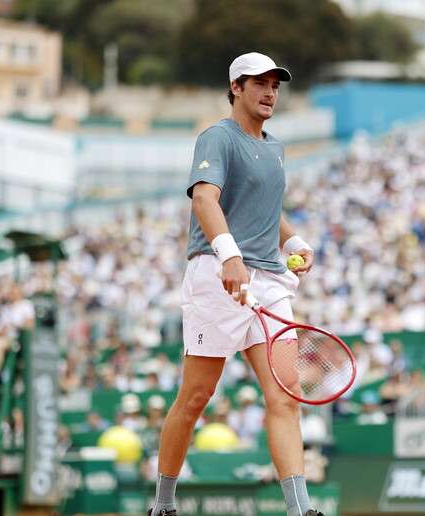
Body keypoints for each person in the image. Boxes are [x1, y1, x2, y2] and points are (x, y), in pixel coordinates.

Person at [150, 52, 322, 516]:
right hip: (216, 275)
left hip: (269, 281)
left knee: (285, 394)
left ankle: (300, 509)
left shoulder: (276, 147)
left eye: (275, 85)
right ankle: (163, 504)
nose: (270, 92)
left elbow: (265, 208)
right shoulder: (217, 137)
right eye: (259, 83)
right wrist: (230, 257)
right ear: (236, 88)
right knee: (196, 397)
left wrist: (294, 240)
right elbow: (205, 200)